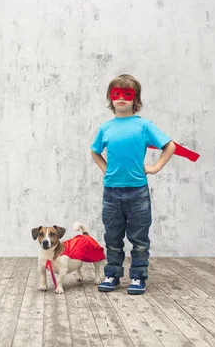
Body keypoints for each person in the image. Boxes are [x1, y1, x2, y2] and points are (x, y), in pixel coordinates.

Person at [90, 74, 175, 295]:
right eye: (116, 93)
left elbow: (170, 146)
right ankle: (113, 275)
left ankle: (138, 277)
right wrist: (105, 169)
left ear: (134, 98)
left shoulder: (144, 126)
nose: (121, 98)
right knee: (113, 237)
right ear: (111, 97)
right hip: (111, 192)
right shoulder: (106, 128)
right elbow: (94, 151)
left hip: (138, 192)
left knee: (139, 238)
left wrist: (155, 168)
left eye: (126, 94)